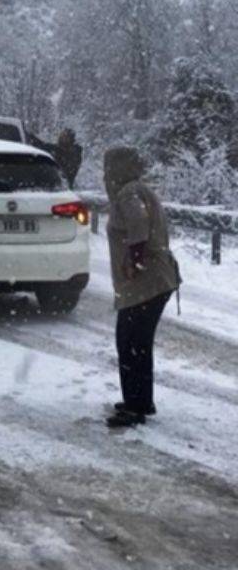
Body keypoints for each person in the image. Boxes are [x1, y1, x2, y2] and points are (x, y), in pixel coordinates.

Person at [103, 147, 181, 428]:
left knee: (130, 342)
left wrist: (134, 260)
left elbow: (139, 223)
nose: (106, 173)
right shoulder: (139, 189)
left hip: (145, 280)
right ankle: (141, 401)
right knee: (138, 342)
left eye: (109, 167)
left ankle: (135, 407)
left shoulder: (128, 193)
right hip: (157, 278)